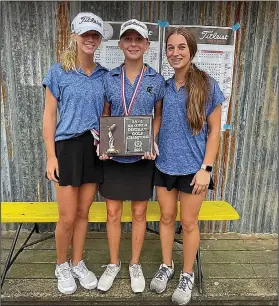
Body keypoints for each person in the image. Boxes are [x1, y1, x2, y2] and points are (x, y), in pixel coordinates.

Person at [150, 27, 225, 305]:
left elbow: (215, 131)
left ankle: (187, 274)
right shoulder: (164, 87)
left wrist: (206, 168)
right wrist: (148, 143)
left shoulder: (208, 85)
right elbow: (157, 122)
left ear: (191, 50)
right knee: (167, 218)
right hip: (164, 166)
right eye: (171, 47)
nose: (175, 53)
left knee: (189, 222)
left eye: (181, 47)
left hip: (194, 170)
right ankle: (167, 265)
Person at [97, 19, 165, 294]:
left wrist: (152, 138)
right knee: (113, 213)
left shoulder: (156, 80)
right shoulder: (109, 78)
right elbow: (104, 113)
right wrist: (103, 141)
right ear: (121, 44)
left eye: (139, 39)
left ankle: (134, 264)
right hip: (114, 158)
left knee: (139, 214)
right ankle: (113, 263)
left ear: (147, 45)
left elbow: (158, 114)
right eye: (129, 39)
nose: (134, 44)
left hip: (141, 158)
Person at [42, 12, 107, 294]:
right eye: (85, 34)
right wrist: (51, 156)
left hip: (93, 148)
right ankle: (61, 264)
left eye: (95, 35)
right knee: (67, 216)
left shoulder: (105, 75)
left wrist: (109, 145)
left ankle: (78, 261)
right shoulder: (58, 72)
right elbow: (48, 116)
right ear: (74, 37)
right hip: (67, 148)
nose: (90, 39)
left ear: (100, 39)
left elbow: (107, 116)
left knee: (83, 213)